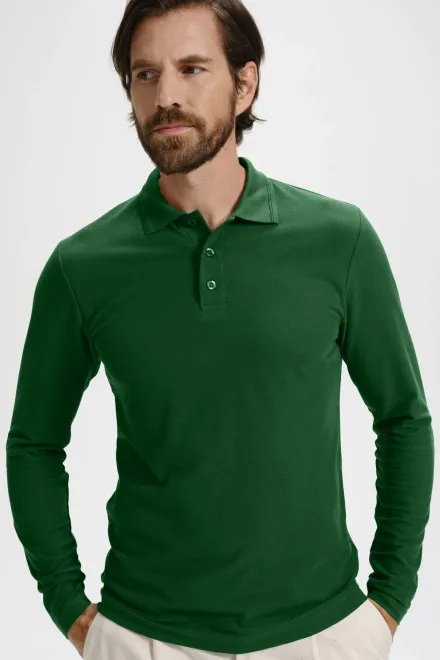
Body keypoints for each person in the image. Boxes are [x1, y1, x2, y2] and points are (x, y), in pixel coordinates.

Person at [5, 1, 434, 659]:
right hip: (143, 636)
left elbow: (403, 417)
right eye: (145, 74)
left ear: (244, 83)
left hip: (323, 634)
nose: (165, 97)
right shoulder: (82, 266)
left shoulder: (339, 240)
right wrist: (69, 607)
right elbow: (33, 442)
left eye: (192, 68)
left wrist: (388, 602)